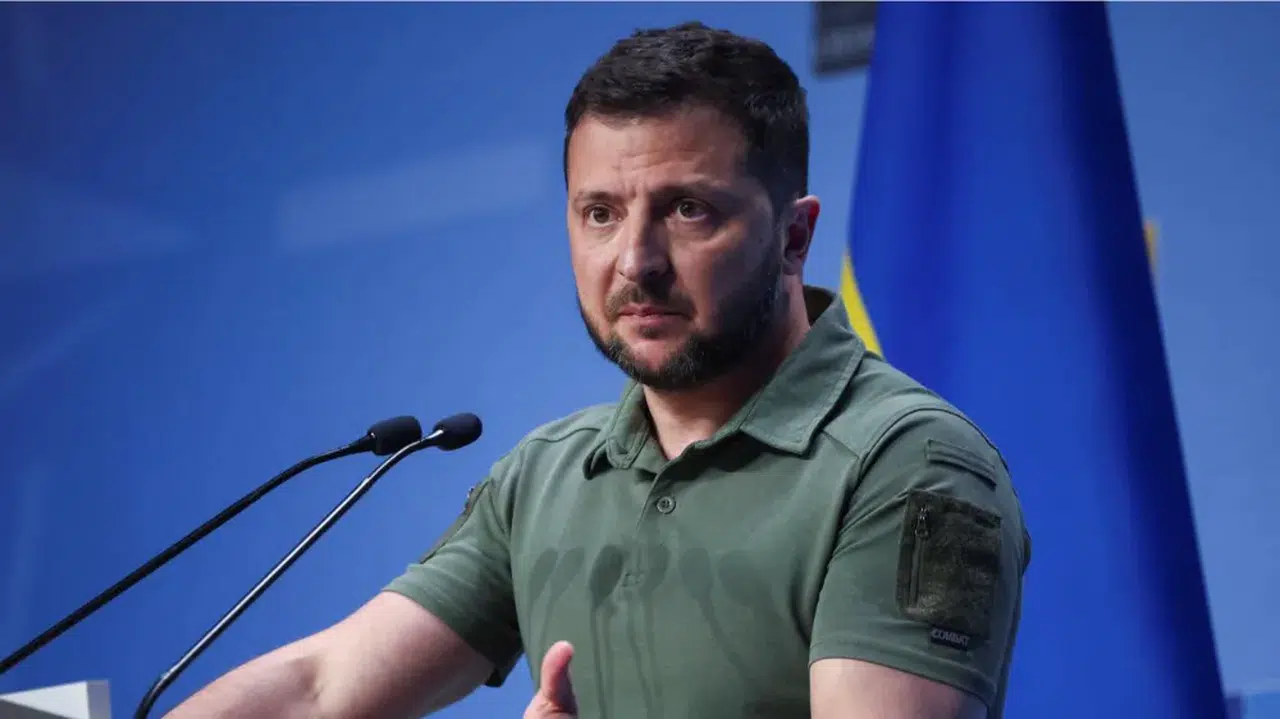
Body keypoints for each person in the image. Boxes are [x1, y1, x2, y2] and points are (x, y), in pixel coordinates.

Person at [166, 21, 1030, 719]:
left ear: (792, 237)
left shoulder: (912, 465)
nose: (635, 262)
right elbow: (321, 690)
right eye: (600, 213)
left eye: (687, 209)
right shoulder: (544, 475)